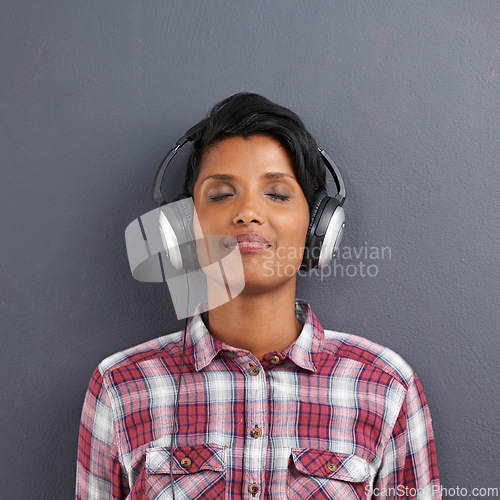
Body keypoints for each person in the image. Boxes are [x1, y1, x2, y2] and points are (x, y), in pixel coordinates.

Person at [76, 93, 440, 499]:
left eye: (278, 194)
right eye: (219, 194)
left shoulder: (387, 387)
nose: (248, 212)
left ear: (318, 227)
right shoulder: (120, 387)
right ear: (183, 229)